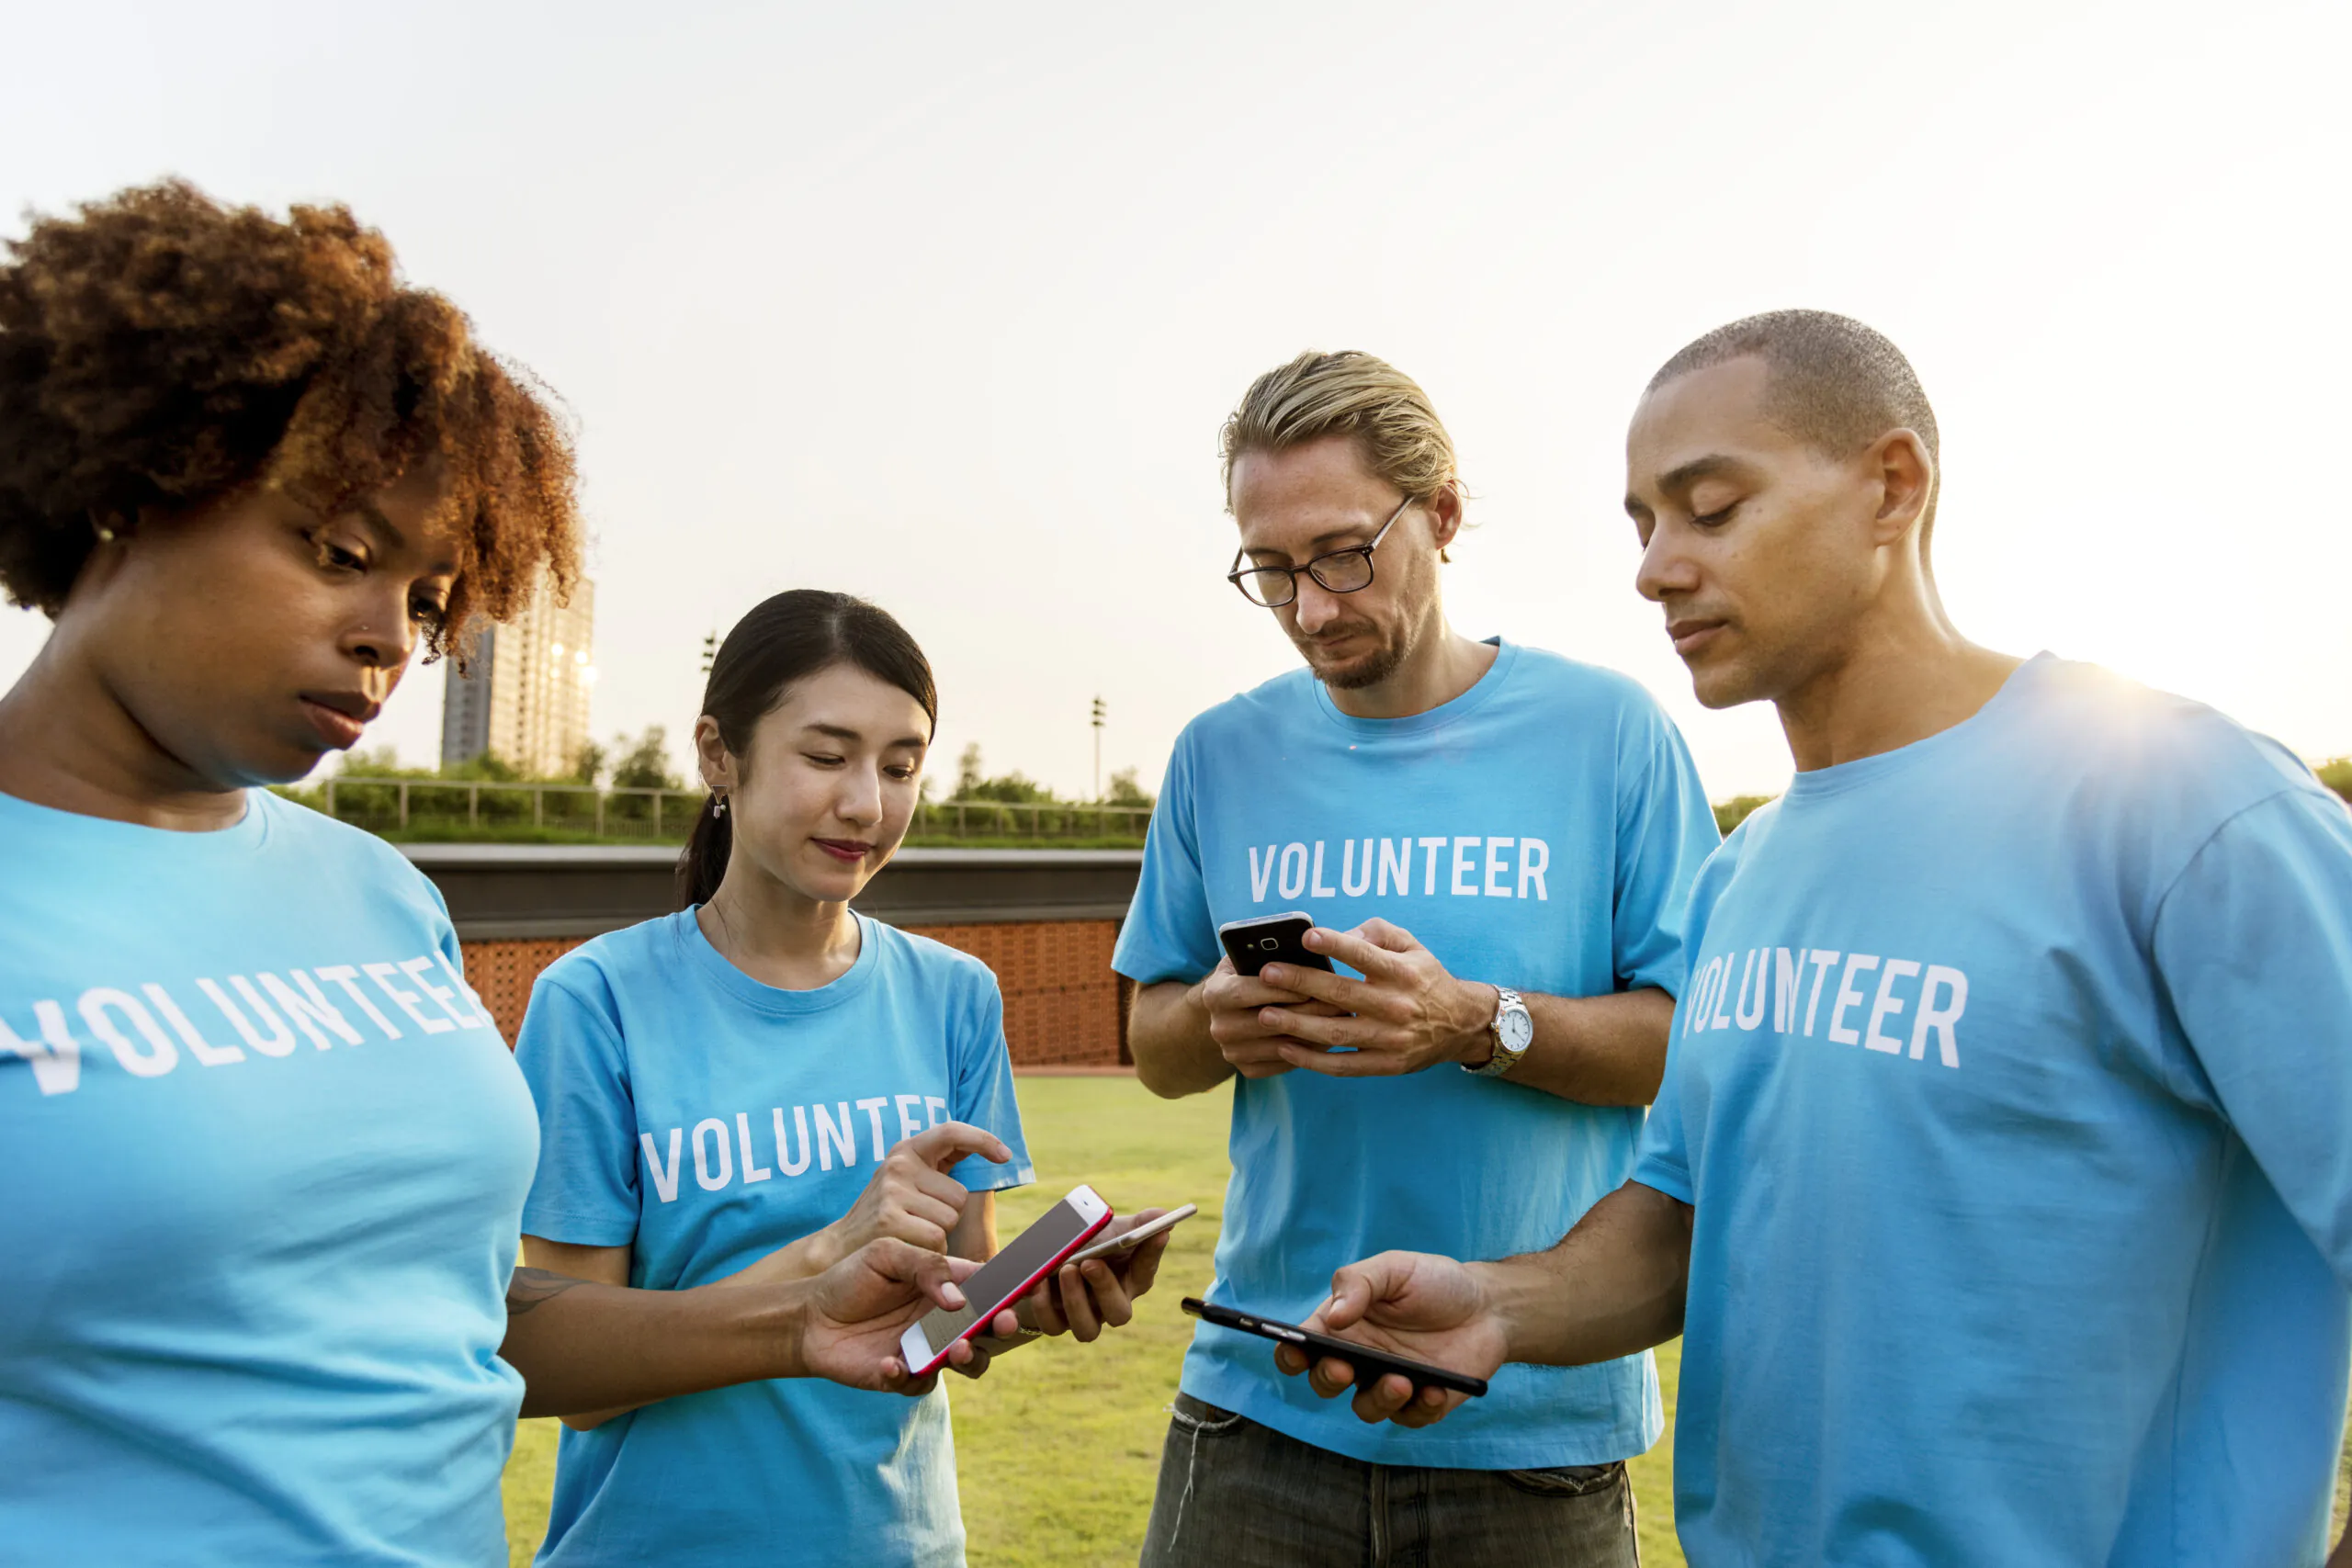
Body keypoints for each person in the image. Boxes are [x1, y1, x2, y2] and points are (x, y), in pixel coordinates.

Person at [0, 184, 991, 1568]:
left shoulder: (381, 896)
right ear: (130, 483)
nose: (388, 639)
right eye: (338, 552)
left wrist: (799, 1316)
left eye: (425, 596)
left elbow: (491, 1326)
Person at [1280, 310, 2352, 1566]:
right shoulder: (1744, 874)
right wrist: (1498, 1304)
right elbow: (1683, 1215)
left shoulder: (2184, 806)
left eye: (1712, 508)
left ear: (1891, 486)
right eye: (1643, 524)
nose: (1656, 568)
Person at [1117, 350, 1720, 1566]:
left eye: (1345, 553)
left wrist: (1473, 1019)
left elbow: (1693, 1046)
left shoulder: (1608, 734)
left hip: (1531, 1420)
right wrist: (1218, 1018)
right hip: (1259, 1400)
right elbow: (1153, 1042)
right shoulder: (1216, 755)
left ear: (1440, 513)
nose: (1314, 606)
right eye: (1273, 570)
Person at [513, 588, 1172, 1568]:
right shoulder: (595, 1002)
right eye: (825, 756)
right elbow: (573, 1374)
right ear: (717, 755)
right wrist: (831, 1254)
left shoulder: (954, 996)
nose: (867, 803)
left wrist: (1026, 1303)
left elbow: (942, 1316)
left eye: (901, 766)